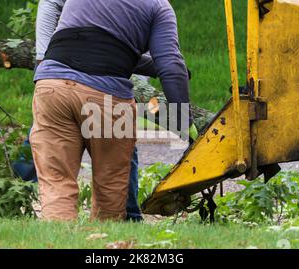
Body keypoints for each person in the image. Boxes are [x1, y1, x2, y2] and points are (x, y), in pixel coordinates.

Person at [31, 0, 196, 221]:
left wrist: (155, 67)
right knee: (109, 189)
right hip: (107, 101)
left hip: (52, 88)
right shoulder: (158, 6)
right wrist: (185, 123)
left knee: (56, 183)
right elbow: (171, 66)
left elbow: (92, 46)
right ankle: (103, 248)